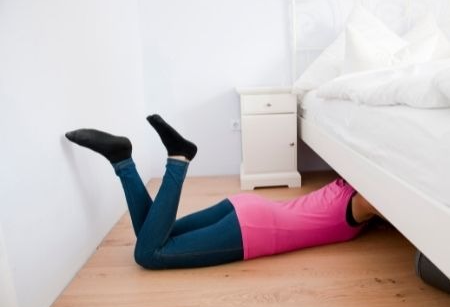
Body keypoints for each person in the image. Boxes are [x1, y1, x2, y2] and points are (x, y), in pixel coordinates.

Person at [65, 114, 379, 270]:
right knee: (148, 254)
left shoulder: (344, 183)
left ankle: (122, 160)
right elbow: (377, 203)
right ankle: (178, 159)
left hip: (246, 206)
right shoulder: (356, 206)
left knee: (155, 231)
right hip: (253, 231)